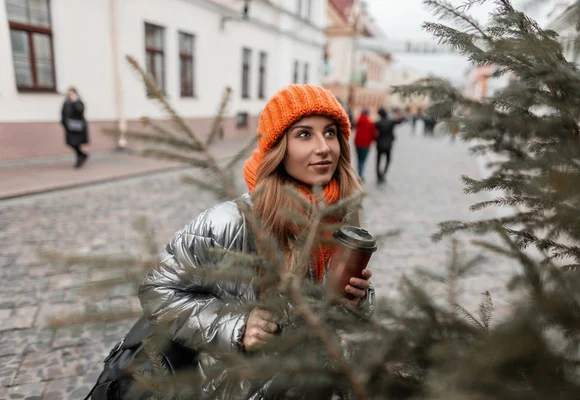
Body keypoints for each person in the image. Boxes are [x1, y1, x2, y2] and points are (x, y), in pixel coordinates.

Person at [137, 84, 375, 399]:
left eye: (330, 133)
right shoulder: (230, 222)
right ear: (278, 147)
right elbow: (157, 291)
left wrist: (360, 300)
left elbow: (347, 319)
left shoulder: (340, 216)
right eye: (304, 134)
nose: (324, 148)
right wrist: (236, 327)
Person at [61, 87, 89, 168]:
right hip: (69, 127)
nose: (70, 95)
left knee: (76, 143)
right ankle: (82, 154)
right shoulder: (66, 102)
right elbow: (63, 113)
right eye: (69, 93)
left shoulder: (78, 102)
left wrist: (75, 101)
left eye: (72, 93)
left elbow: (80, 111)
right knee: (71, 143)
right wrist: (63, 123)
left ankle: (79, 160)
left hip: (78, 127)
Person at [374, 107, 404, 183]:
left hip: (380, 143)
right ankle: (384, 173)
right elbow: (400, 121)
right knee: (388, 160)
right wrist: (400, 114)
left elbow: (372, 131)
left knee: (378, 160)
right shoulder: (390, 121)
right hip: (388, 144)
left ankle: (378, 175)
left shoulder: (378, 123)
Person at [353, 108, 377, 182]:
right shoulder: (370, 123)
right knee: (363, 160)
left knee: (359, 159)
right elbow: (374, 135)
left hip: (357, 143)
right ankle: (360, 175)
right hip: (366, 144)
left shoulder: (358, 121)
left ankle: (359, 174)